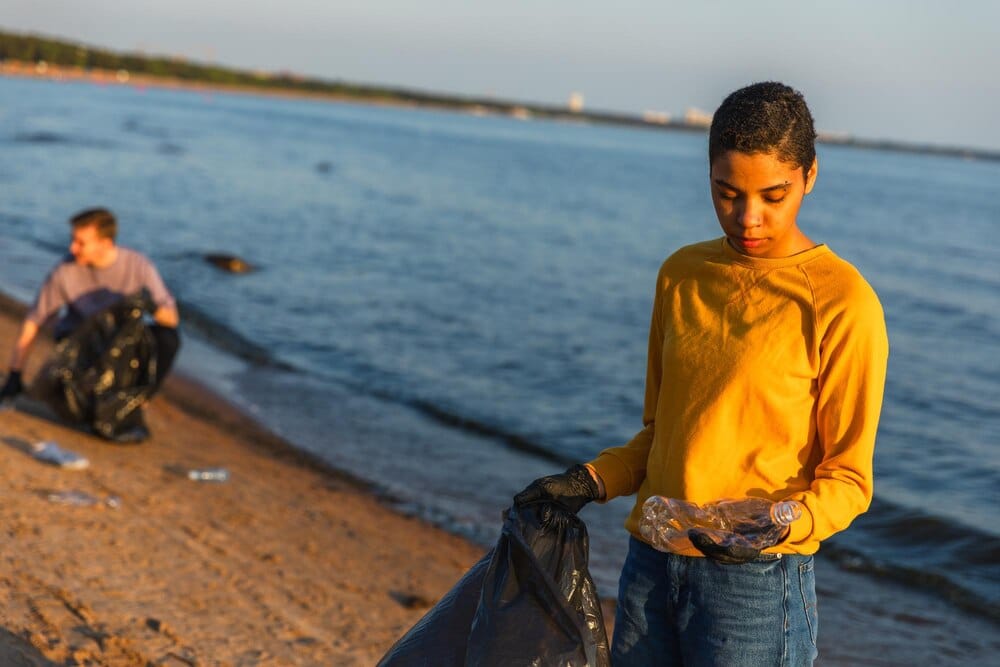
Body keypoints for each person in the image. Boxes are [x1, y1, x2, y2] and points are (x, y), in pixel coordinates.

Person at [514, 82, 889, 666]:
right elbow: (662, 435)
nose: (749, 217)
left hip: (756, 588)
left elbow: (848, 479)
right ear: (709, 176)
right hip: (650, 567)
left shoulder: (842, 302)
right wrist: (590, 480)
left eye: (774, 194)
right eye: (727, 192)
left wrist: (782, 523)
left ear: (810, 175)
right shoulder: (682, 275)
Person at [0, 207, 180, 441]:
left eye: (80, 242)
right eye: (72, 240)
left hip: (120, 348)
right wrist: (15, 374)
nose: (72, 248)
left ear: (105, 244)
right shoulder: (65, 271)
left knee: (167, 338)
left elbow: (172, 318)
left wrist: (148, 305)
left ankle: (137, 404)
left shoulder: (138, 266)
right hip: (80, 347)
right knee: (80, 404)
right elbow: (35, 321)